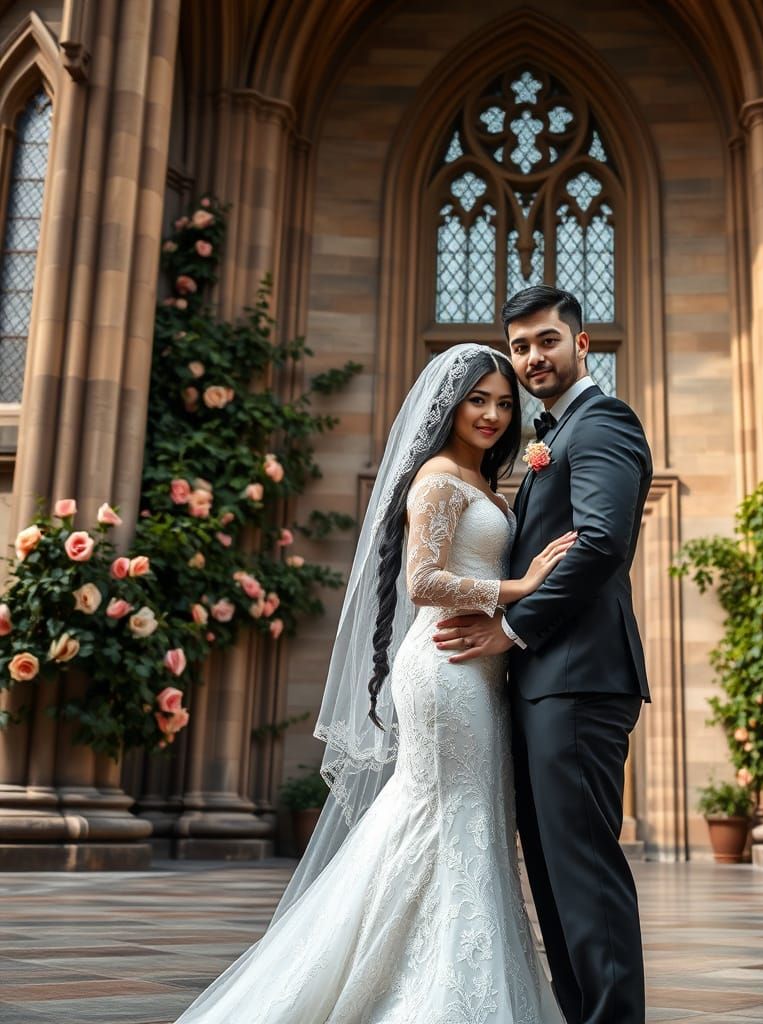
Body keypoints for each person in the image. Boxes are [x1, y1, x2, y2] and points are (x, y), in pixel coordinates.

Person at [172, 344, 570, 1023]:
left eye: (505, 404)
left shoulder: (481, 482)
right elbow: (424, 581)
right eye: (478, 400)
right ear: (450, 405)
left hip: (481, 672)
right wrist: (521, 586)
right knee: (447, 815)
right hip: (445, 671)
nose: (493, 415)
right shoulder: (438, 478)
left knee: (470, 818)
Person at [432, 286, 653, 1024]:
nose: (532, 357)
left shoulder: (604, 421)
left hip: (577, 681)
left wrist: (513, 629)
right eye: (520, 346)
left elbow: (601, 543)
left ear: (581, 344)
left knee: (583, 873)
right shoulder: (551, 436)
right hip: (543, 686)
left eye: (547, 340)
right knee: (555, 880)